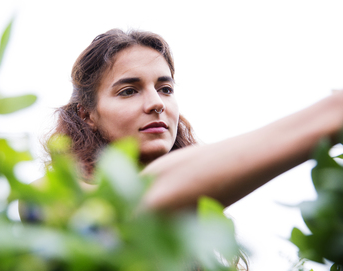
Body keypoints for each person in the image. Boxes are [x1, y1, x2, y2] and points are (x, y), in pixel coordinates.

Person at [44, 28, 343, 212]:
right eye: (128, 91)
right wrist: (332, 112)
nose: (157, 104)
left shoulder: (198, 231)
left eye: (165, 89)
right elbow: (138, 200)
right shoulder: (46, 195)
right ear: (87, 115)